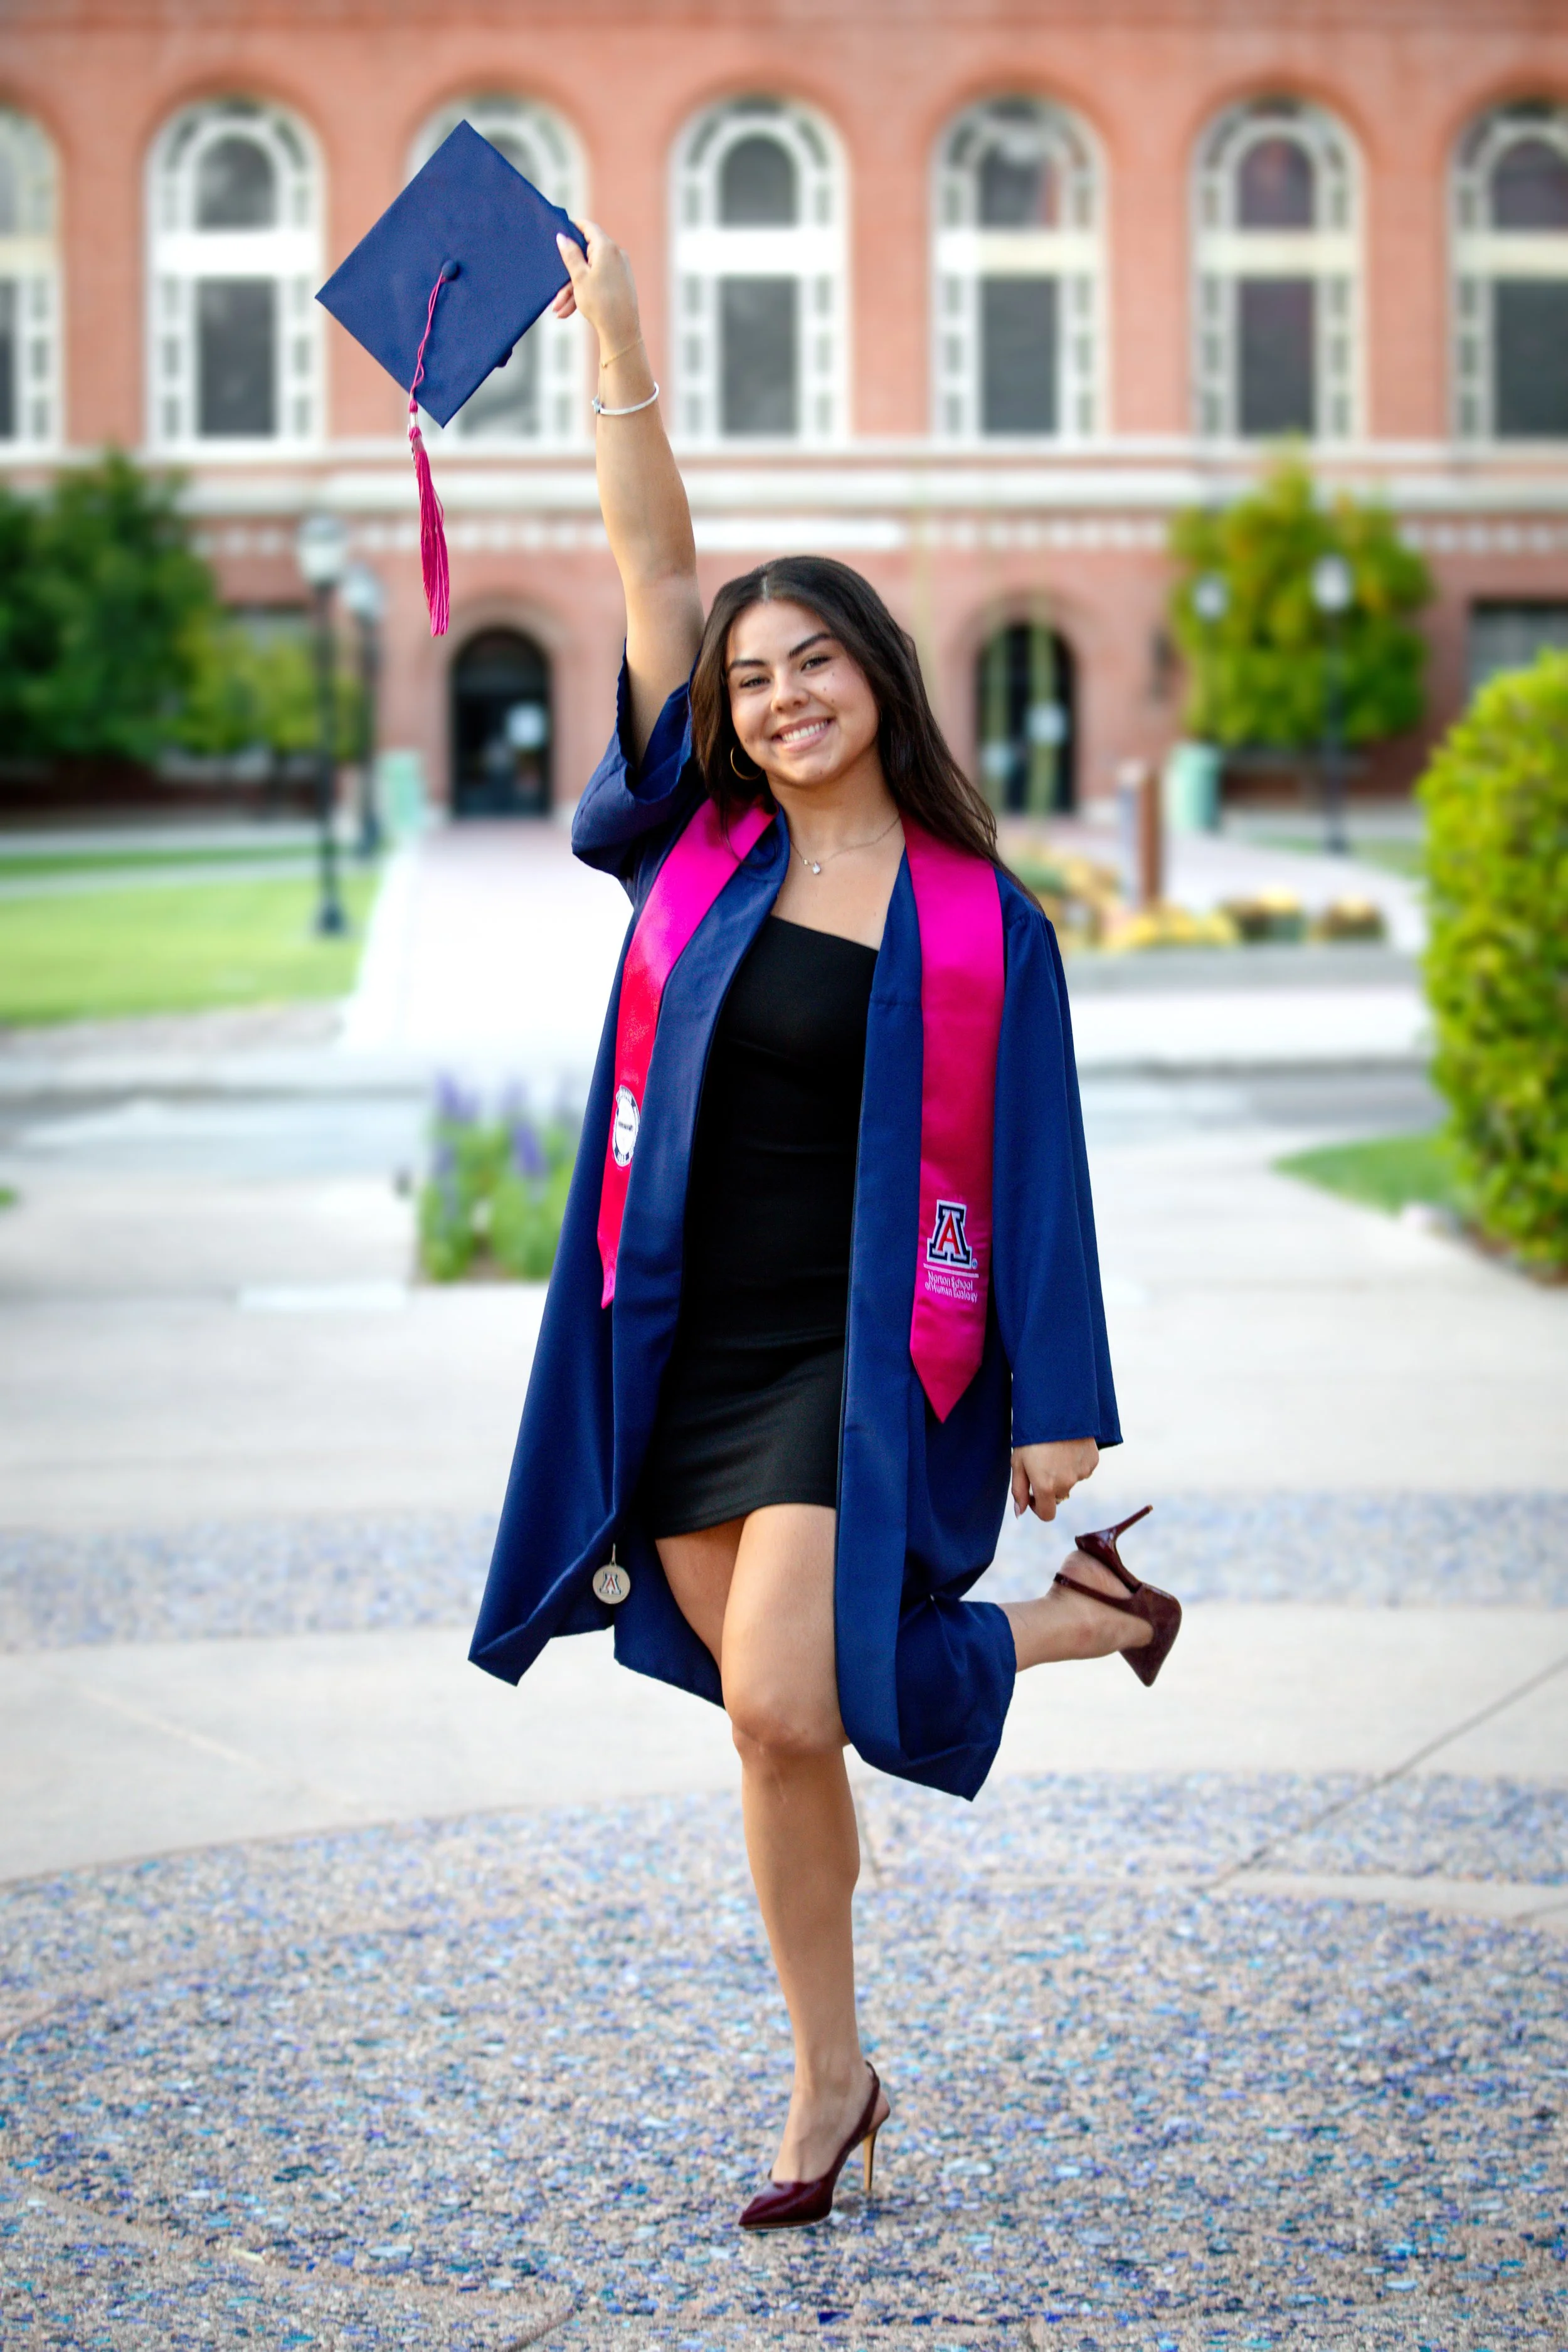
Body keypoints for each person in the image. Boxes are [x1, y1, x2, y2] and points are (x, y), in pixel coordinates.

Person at [469, 222, 1182, 2232]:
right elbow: (648, 572)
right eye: (749, 678)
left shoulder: (981, 918)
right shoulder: (689, 848)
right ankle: (1083, 1650)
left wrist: (1060, 1392)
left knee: (789, 1695)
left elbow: (1038, 1152)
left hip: (868, 1356)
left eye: (813, 664)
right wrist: (613, 347)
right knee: (776, 1731)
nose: (778, 696)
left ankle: (813, 2077)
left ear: (878, 676)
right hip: (676, 1336)